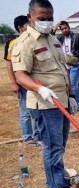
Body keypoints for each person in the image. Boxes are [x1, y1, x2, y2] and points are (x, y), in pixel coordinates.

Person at [12, 0, 79, 188]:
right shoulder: (25, 42)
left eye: (49, 18)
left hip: (62, 101)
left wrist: (71, 96)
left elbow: (63, 70)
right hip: (44, 104)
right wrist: (40, 89)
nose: (46, 21)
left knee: (60, 145)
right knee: (52, 147)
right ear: (30, 18)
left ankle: (59, 178)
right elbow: (21, 75)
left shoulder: (53, 40)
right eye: (41, 18)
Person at [4, 15, 40, 146]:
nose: (31, 27)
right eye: (27, 25)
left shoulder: (32, 40)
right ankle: (27, 137)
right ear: (20, 27)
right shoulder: (13, 43)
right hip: (22, 83)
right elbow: (9, 64)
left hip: (34, 82)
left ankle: (38, 136)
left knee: (37, 109)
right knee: (25, 111)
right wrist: (14, 83)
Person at [56, 21, 79, 109]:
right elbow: (50, 37)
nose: (64, 30)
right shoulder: (60, 38)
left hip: (75, 64)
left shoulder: (77, 36)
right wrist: (55, 27)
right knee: (72, 85)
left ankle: (77, 104)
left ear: (69, 27)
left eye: (66, 28)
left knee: (73, 85)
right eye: (62, 29)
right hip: (65, 65)